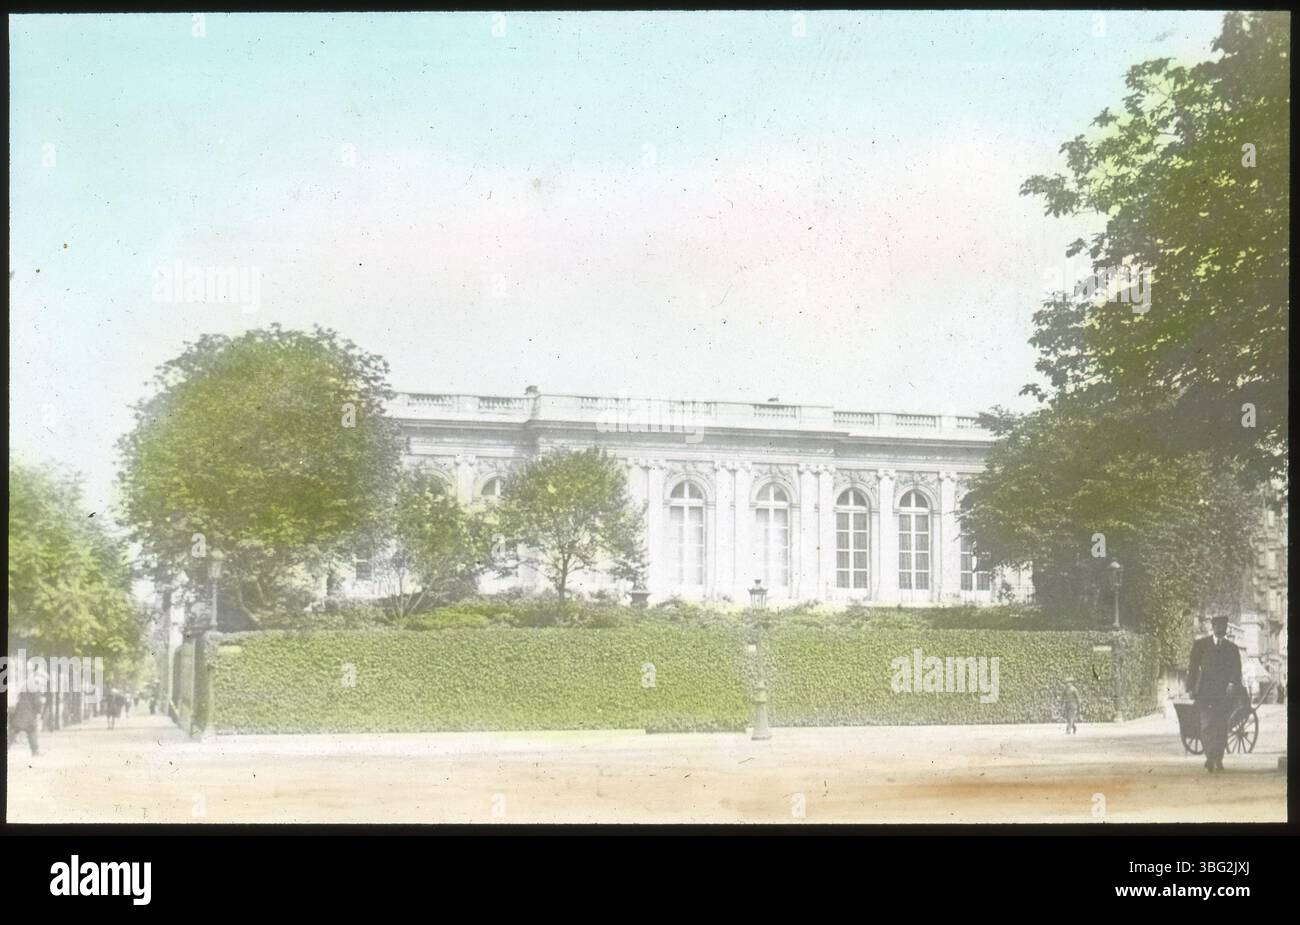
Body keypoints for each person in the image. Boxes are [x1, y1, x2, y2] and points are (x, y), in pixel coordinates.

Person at [1187, 615, 1243, 773]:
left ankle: (1218, 759)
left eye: (1223, 625)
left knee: (1221, 726)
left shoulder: (1232, 648)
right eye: (1218, 625)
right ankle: (1210, 757)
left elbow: (1236, 670)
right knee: (1206, 726)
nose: (1221, 628)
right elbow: (1192, 667)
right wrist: (1190, 688)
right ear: (1213, 626)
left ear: (1226, 628)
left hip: (1224, 695)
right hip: (1204, 693)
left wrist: (1232, 683)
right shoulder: (1200, 645)